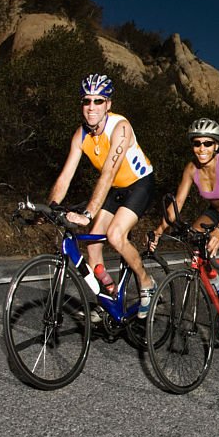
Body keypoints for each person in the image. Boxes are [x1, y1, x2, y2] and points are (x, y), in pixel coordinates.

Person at [47, 73, 156, 317]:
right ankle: (109, 297)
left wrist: (88, 213)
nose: (92, 107)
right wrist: (50, 208)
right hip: (116, 190)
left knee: (115, 235)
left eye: (99, 101)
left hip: (139, 185)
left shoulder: (120, 127)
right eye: (87, 101)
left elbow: (108, 173)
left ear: (108, 104)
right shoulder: (81, 135)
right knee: (93, 245)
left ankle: (146, 281)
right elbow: (65, 177)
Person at [148, 118, 219, 356]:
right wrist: (159, 231)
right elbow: (177, 203)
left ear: (216, 145)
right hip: (214, 212)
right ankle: (218, 286)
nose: (201, 149)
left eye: (207, 143)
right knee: (191, 240)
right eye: (197, 143)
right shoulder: (191, 168)